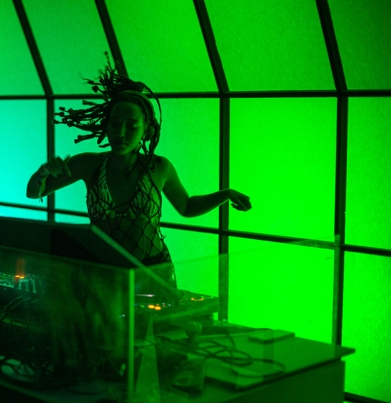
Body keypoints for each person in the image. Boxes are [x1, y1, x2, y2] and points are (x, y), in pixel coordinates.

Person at [26, 55, 251, 291]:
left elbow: (186, 207)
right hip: (104, 270)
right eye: (114, 124)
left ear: (147, 130)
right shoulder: (88, 164)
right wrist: (42, 173)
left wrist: (225, 193)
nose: (121, 133)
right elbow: (33, 192)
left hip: (154, 270)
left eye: (132, 126)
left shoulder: (159, 167)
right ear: (106, 125)